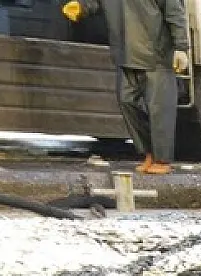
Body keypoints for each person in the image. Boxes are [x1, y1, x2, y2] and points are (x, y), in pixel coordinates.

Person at [62, 0, 188, 174]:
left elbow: (174, 12)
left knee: (160, 109)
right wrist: (82, 7)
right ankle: (149, 153)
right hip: (126, 53)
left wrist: (181, 47)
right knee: (127, 101)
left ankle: (162, 159)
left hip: (157, 54)